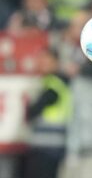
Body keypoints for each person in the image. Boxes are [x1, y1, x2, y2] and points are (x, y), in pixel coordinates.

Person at [25, 48, 71, 178]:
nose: (42, 64)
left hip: (47, 146)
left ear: (55, 62)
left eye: (46, 61)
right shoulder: (56, 82)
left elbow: (34, 110)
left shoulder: (54, 85)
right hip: (53, 145)